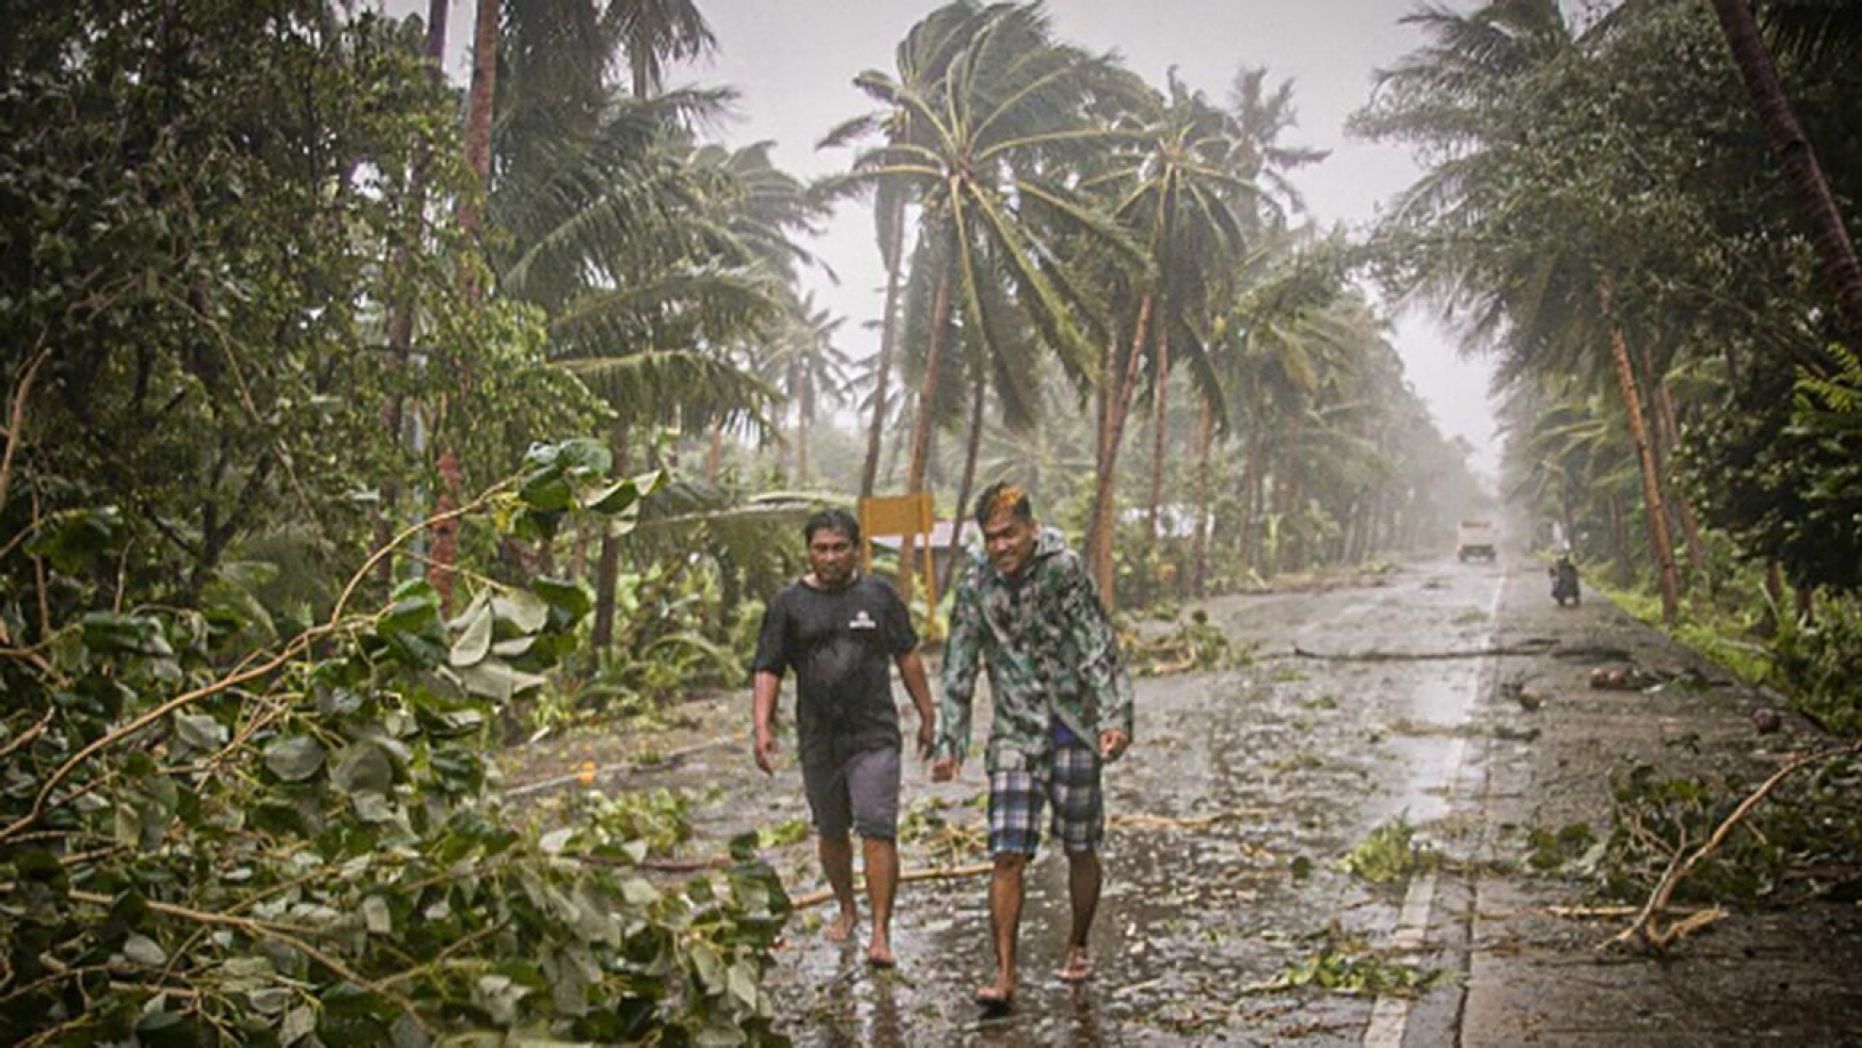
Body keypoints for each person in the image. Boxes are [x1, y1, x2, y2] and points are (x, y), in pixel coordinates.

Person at [932, 482, 1135, 1012]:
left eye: (1010, 534)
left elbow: (1096, 643)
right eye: (992, 537)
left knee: (1079, 845)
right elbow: (960, 658)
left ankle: (1078, 941)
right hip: (1015, 733)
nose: (1002, 546)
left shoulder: (1063, 569)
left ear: (1030, 527)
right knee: (1007, 852)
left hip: (1073, 725)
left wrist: (1114, 716)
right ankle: (1004, 973)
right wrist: (950, 738)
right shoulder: (976, 582)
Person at [751, 508, 936, 967]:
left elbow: (908, 656)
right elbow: (768, 668)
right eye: (821, 548)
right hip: (819, 738)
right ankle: (847, 907)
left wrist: (928, 714)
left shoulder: (879, 596)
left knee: (877, 828)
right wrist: (762, 726)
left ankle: (880, 932)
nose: (830, 557)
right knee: (832, 831)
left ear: (856, 549)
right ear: (809, 551)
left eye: (839, 548)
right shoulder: (787, 605)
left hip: (874, 735)